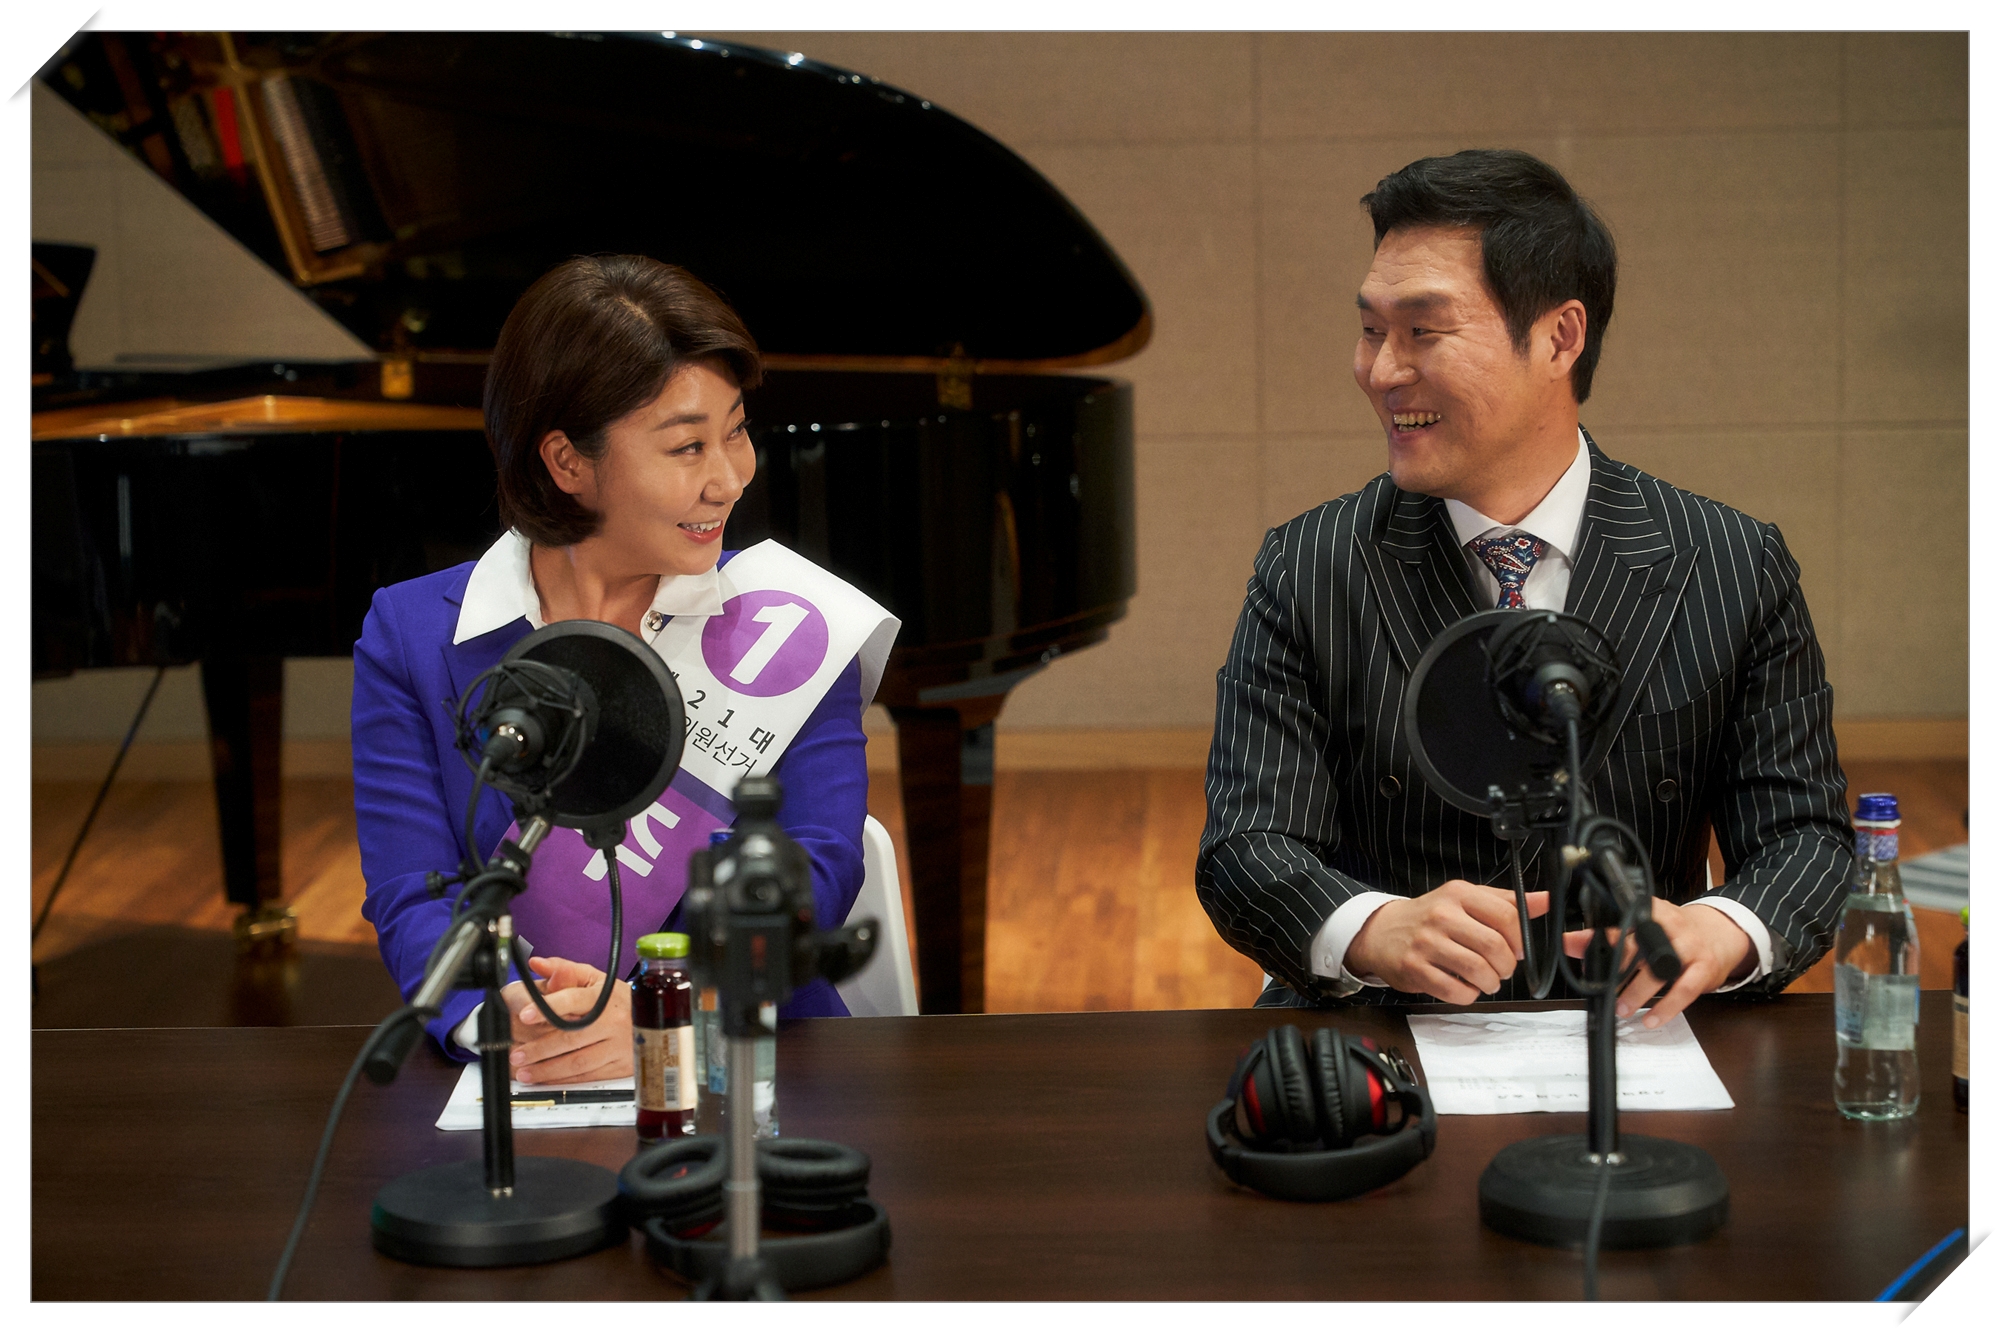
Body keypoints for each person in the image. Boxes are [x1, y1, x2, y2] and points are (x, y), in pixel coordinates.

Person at [1197, 149, 1852, 1024]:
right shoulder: (1308, 565)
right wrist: (1371, 927)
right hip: (1384, 1028)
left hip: (1637, 1030)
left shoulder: (1731, 562)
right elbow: (1245, 847)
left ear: (1559, 338)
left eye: (1422, 330)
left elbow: (1805, 837)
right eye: (1372, 330)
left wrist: (1722, 928)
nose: (1382, 370)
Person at [353, 255, 895, 1084]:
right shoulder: (412, 636)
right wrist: (511, 1019)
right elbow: (414, 891)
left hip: (745, 1056)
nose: (729, 479)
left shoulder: (792, 624)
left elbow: (814, 870)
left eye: (737, 431)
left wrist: (662, 1011)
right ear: (567, 462)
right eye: (687, 446)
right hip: (520, 1065)